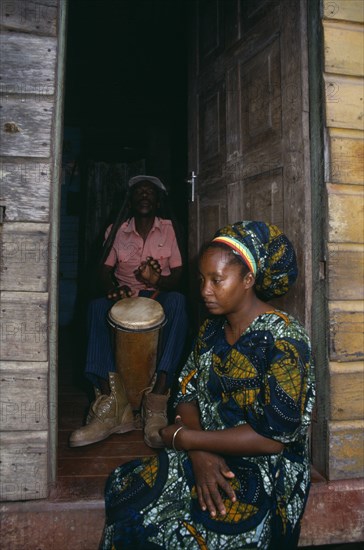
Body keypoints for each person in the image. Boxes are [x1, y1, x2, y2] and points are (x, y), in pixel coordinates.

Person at [98, 220, 316, 550]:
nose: (205, 291)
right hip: (206, 450)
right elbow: (186, 393)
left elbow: (273, 438)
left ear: (248, 280)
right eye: (201, 279)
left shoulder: (286, 340)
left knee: (192, 530)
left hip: (265, 470)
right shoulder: (211, 331)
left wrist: (186, 438)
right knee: (126, 493)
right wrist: (199, 450)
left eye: (217, 280)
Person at [69, 175, 189, 449]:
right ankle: (111, 403)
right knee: (96, 307)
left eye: (150, 192)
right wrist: (114, 288)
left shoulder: (169, 229)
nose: (144, 195)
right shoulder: (117, 230)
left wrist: (157, 281)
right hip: (126, 296)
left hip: (158, 295)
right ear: (131, 201)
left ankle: (157, 401)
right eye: (138, 192)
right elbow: (103, 270)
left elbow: (180, 276)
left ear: (158, 202)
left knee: (179, 302)